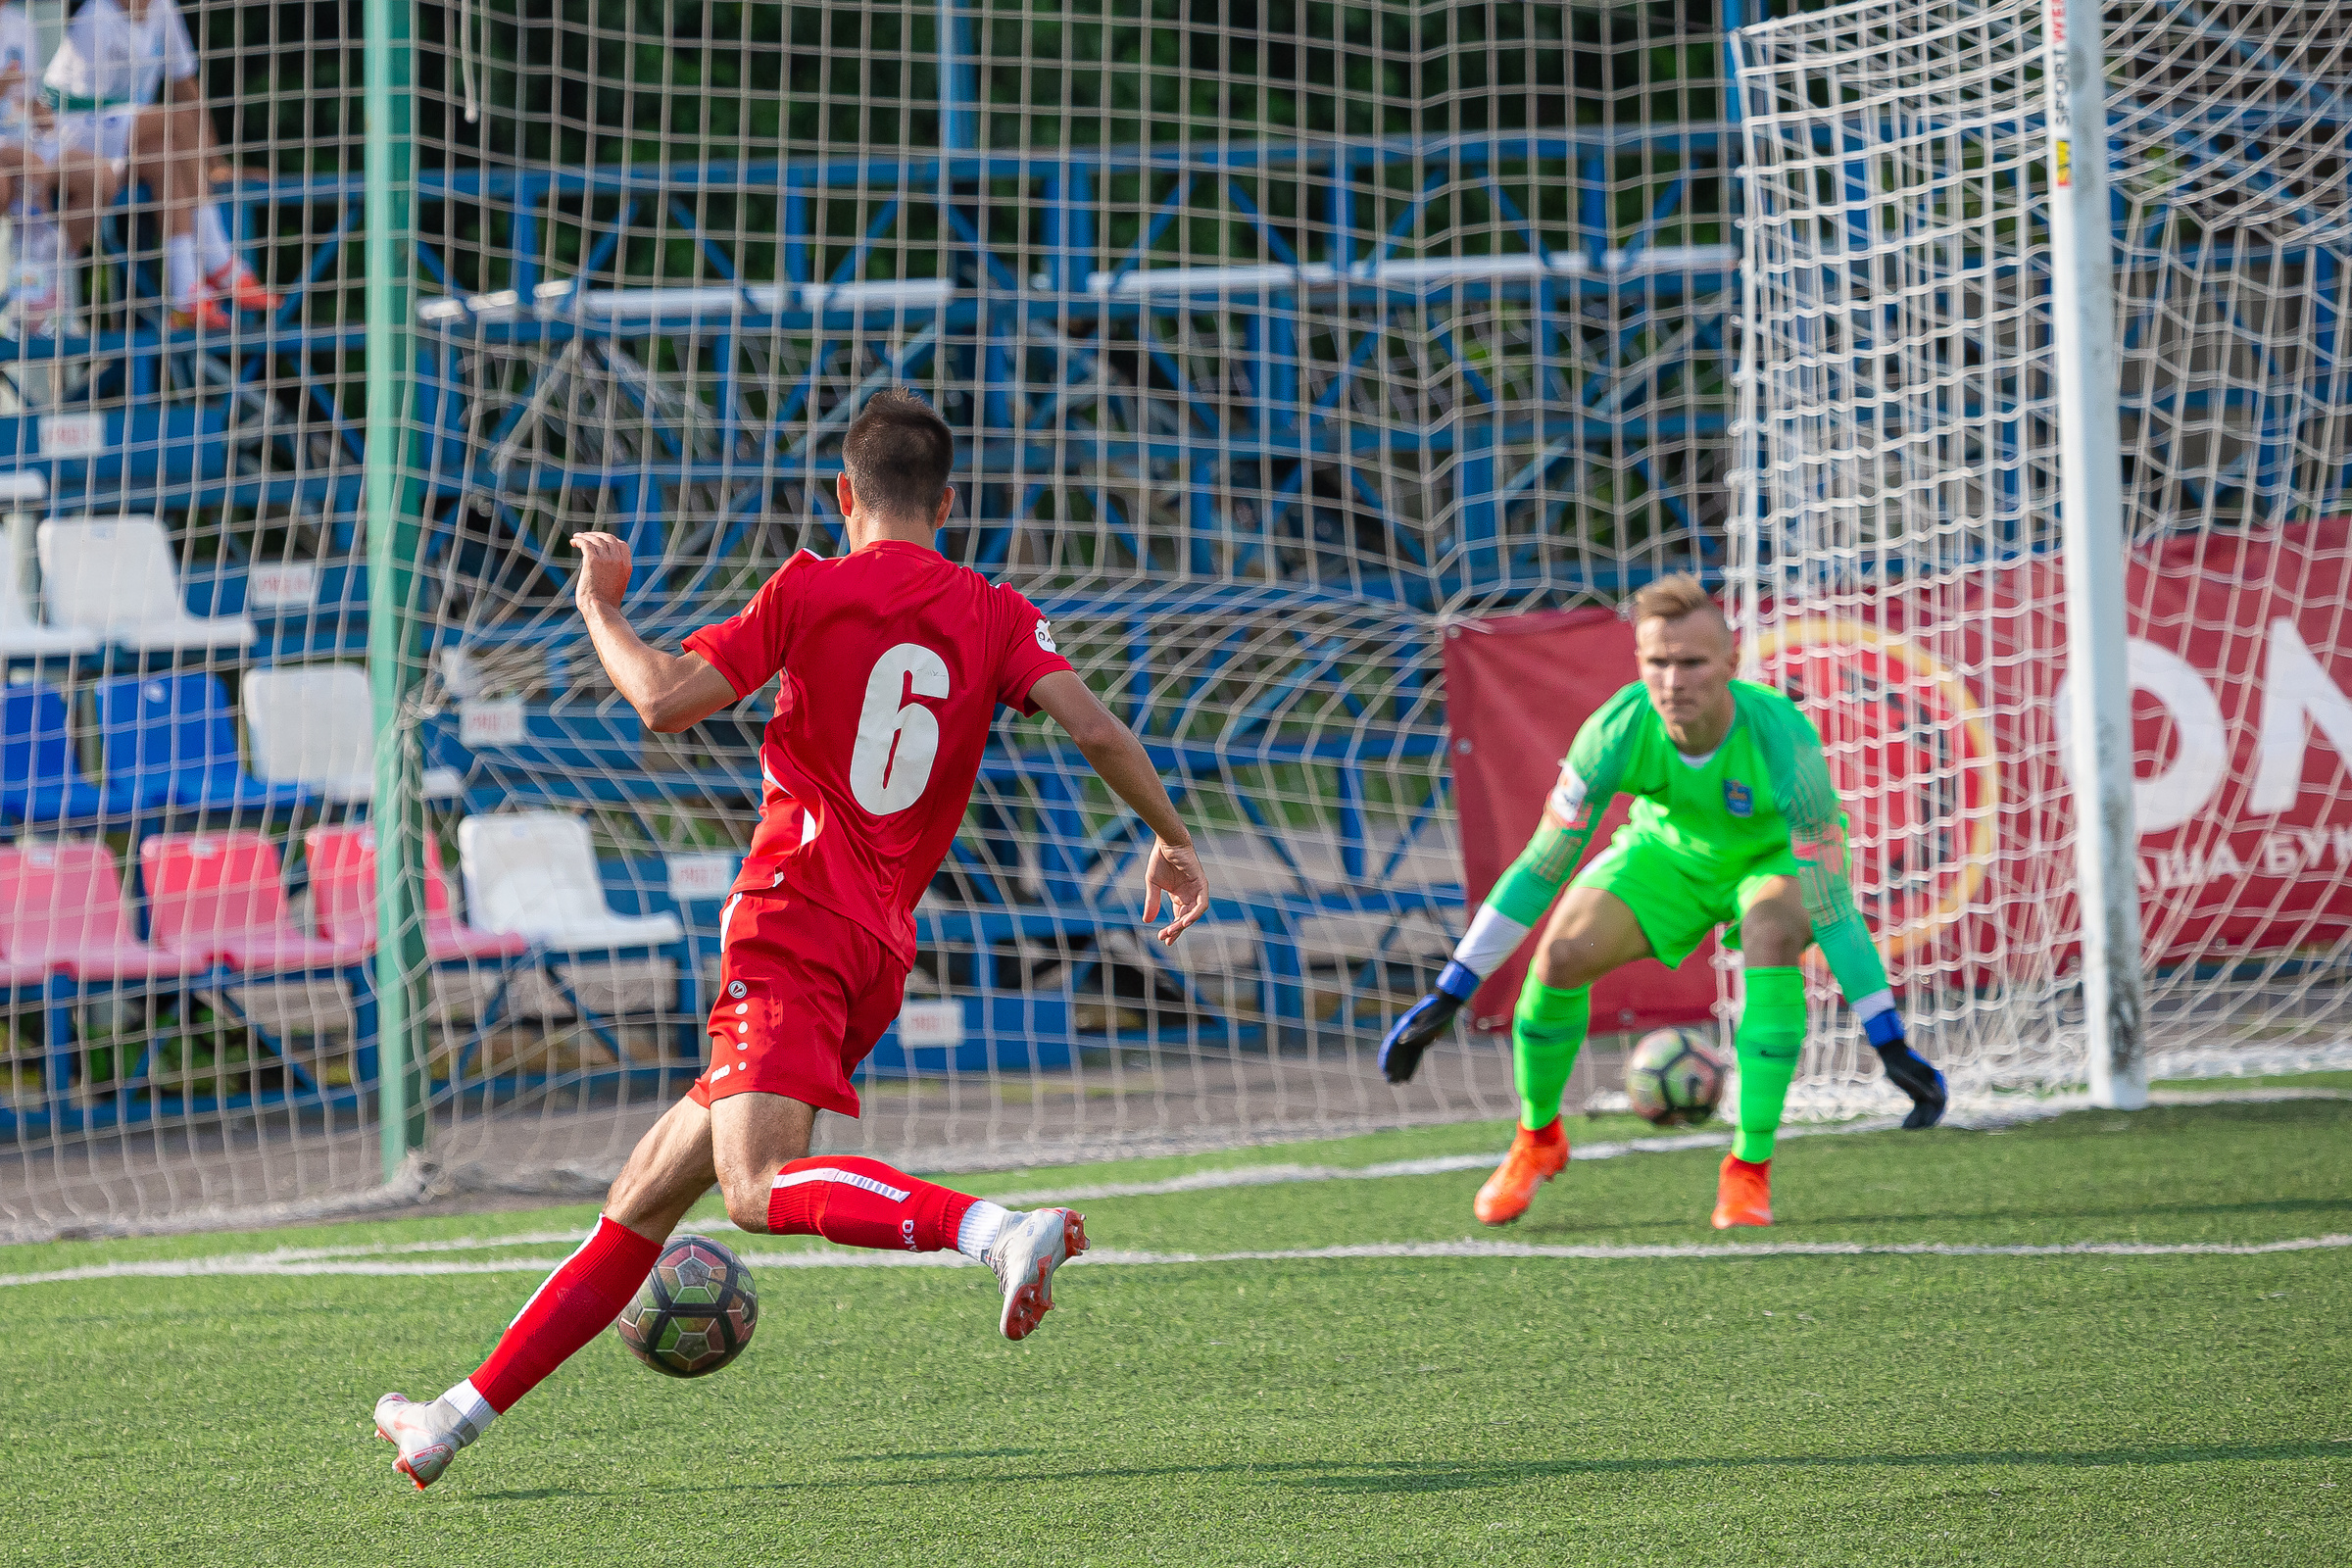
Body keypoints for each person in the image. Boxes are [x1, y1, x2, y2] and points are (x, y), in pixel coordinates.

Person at [372, 391, 1211, 1490]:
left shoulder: (811, 586)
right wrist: (1171, 838)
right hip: (875, 948)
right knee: (643, 1197)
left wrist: (599, 610)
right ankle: (450, 1417)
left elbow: (666, 701)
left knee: (757, 1189)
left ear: (841, 494)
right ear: (948, 502)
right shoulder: (1001, 612)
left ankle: (996, 1230)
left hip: (789, 917)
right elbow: (1096, 727)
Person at [1378, 574, 1946, 1229]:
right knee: (1561, 957)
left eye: (1692, 662)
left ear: (1731, 666)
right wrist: (1450, 993)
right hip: (1668, 853)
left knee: (1768, 932)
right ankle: (1538, 1139)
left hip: (1770, 862)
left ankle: (1747, 1171)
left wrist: (1890, 1039)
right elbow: (1540, 868)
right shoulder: (1615, 731)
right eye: (1658, 662)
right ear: (1640, 665)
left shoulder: (1783, 740)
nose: (1673, 681)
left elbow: (1835, 908)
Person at [41, 0, 279, 330]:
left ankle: (187, 296)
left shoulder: (162, 9)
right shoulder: (96, 17)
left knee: (163, 155)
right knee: (174, 123)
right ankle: (221, 263)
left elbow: (185, 84)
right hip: (72, 127)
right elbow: (81, 103)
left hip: (122, 128)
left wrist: (215, 162)